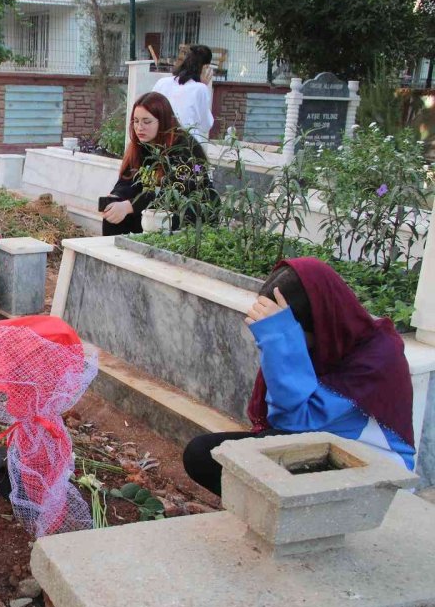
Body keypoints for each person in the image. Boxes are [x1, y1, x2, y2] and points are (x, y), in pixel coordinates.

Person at [182, 258, 416, 496]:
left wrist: (280, 338)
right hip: (320, 447)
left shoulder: (378, 356)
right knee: (203, 454)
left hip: (372, 473)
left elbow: (295, 423)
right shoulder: (328, 345)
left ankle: (289, 521)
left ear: (320, 323)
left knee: (246, 455)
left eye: (296, 333)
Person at [100, 92, 211, 236]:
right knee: (113, 216)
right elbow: (127, 181)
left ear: (163, 121)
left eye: (147, 122)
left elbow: (172, 194)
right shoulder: (140, 146)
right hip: (151, 209)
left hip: (185, 215)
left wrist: (129, 206)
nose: (139, 128)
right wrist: (116, 198)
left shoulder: (185, 149)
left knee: (143, 214)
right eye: (136, 121)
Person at [152, 44, 214, 143]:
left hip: (160, 142)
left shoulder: (162, 82)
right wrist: (203, 85)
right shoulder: (200, 89)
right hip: (187, 145)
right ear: (205, 67)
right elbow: (206, 125)